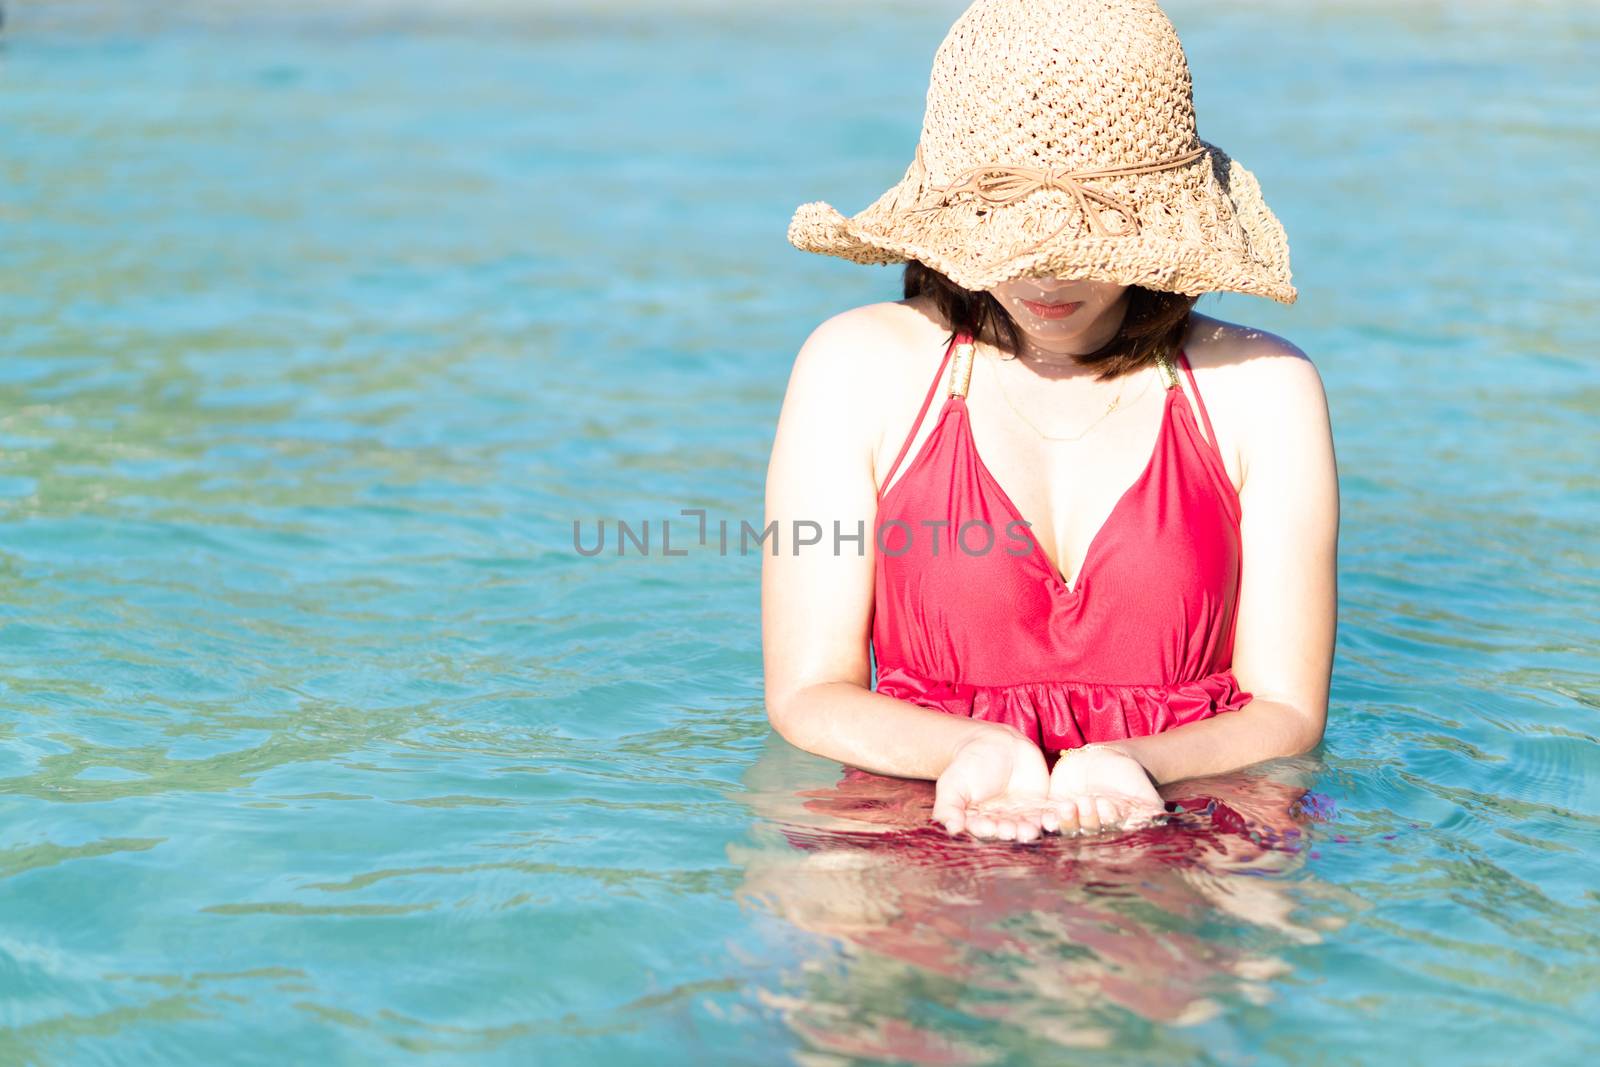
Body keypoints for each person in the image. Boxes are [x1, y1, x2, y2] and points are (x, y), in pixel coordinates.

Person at [763, 0, 1338, 843]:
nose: (1043, 275)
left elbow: (1287, 709)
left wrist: (1136, 765)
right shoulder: (856, 367)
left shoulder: (1263, 385)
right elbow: (807, 690)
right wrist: (974, 749)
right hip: (930, 805)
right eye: (1009, 235)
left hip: (1186, 814)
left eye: (1086, 240)